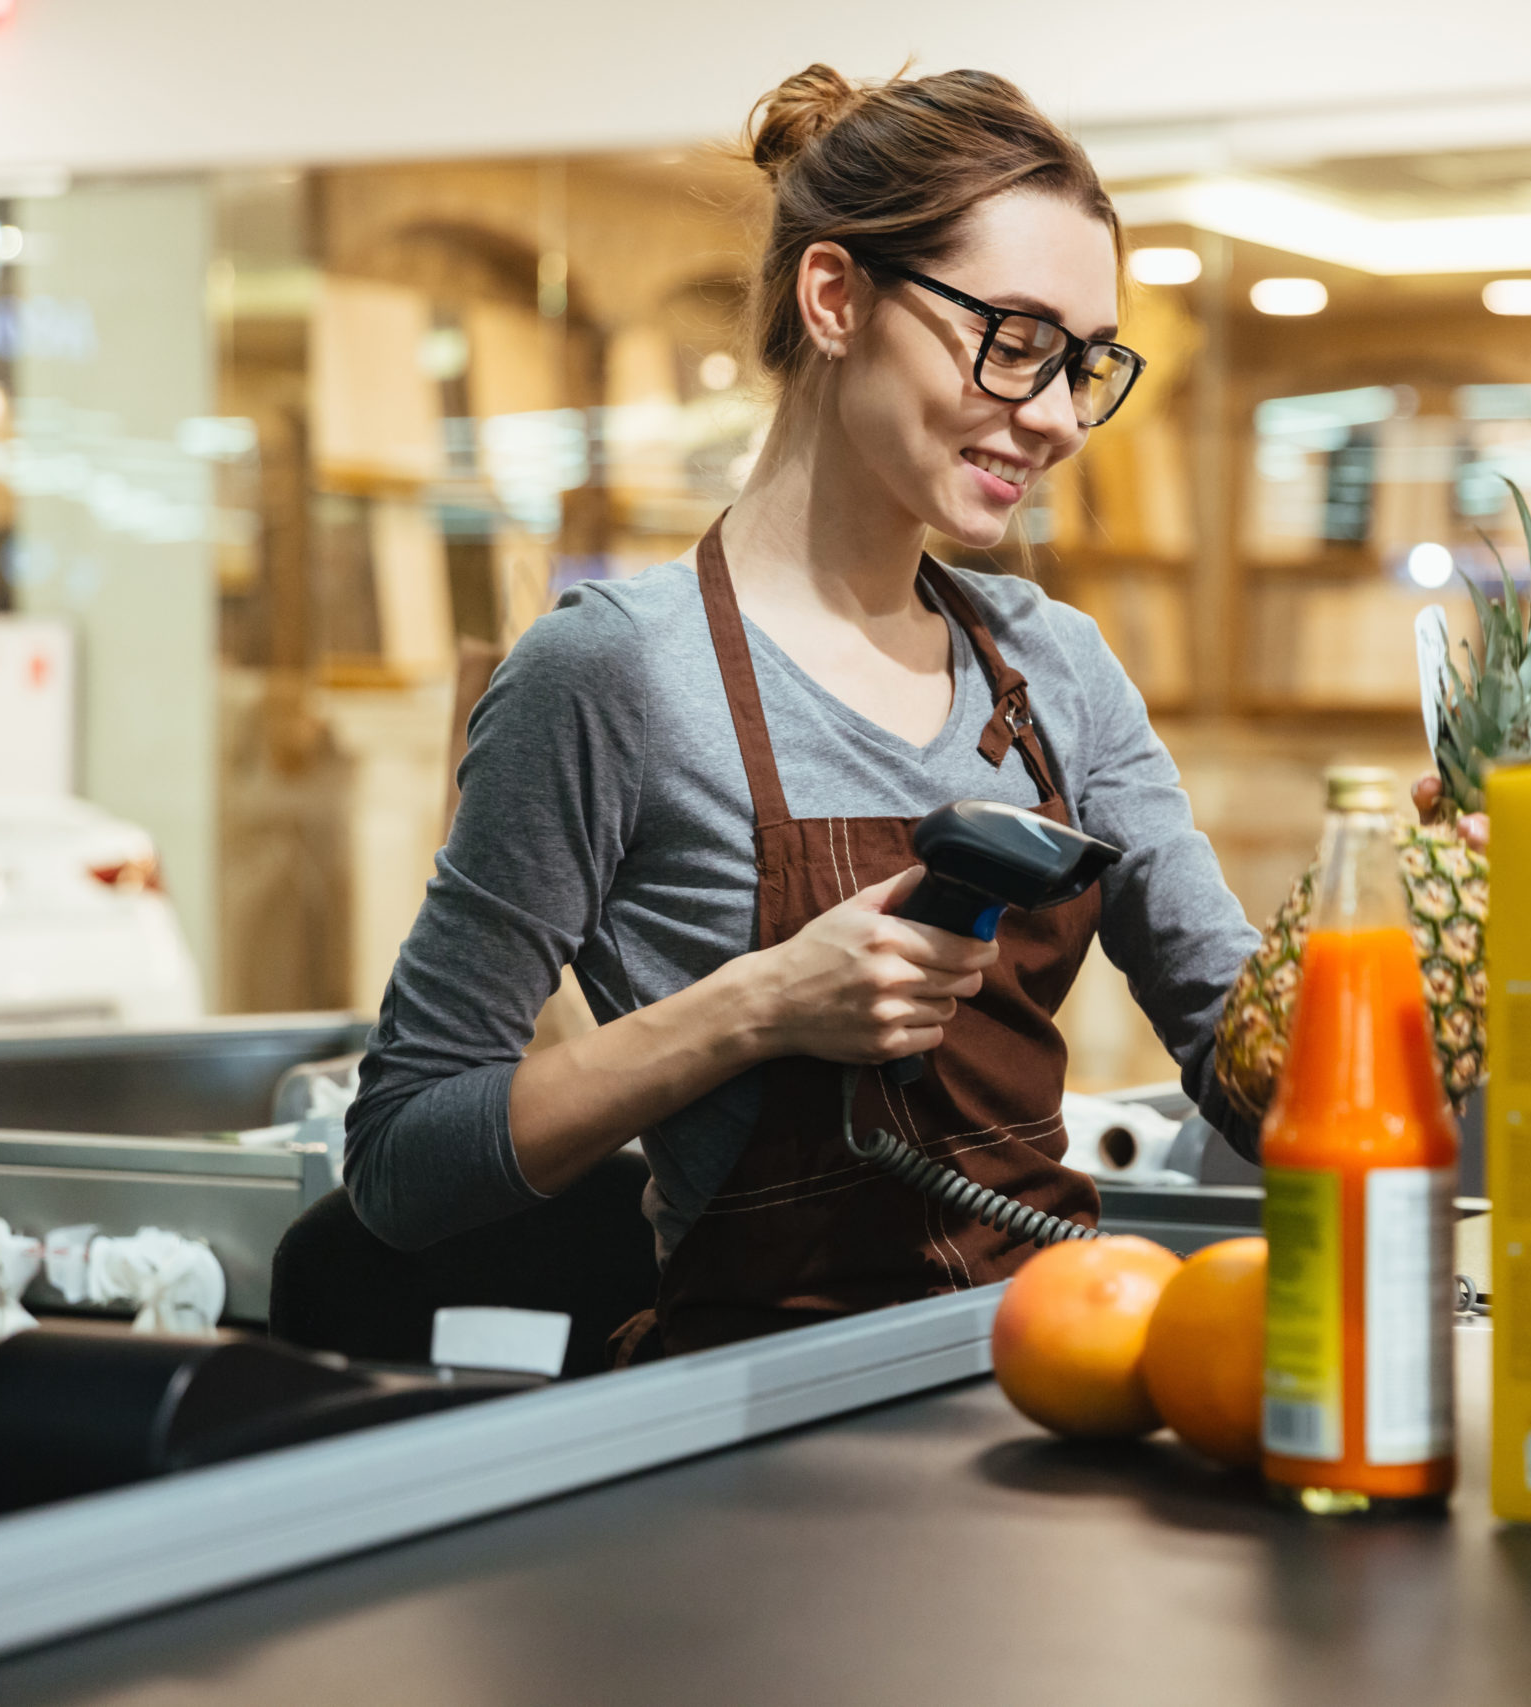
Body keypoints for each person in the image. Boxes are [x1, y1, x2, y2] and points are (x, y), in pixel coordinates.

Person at [342, 64, 1263, 1359]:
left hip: (1049, 1385)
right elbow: (402, 1161)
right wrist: (758, 1006)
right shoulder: (614, 676)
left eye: (1085, 363)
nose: (1057, 418)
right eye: (1014, 340)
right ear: (836, 297)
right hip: (758, 1447)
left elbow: (1254, 1075)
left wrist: (1432, 959)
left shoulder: (1056, 667)